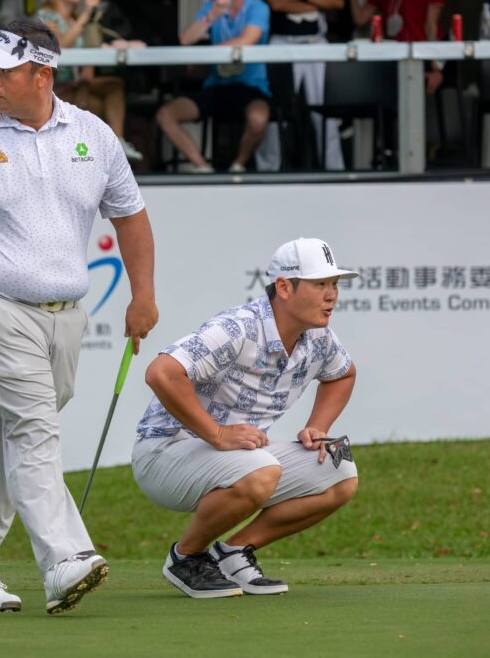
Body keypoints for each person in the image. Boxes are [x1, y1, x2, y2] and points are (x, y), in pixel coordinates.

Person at [0, 19, 158, 614]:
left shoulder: (93, 136)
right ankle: (65, 558)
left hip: (67, 316)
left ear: (42, 75)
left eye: (4, 70)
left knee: (9, 433)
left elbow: (131, 216)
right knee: (34, 428)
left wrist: (141, 294)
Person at [132, 238, 359, 598]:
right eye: (320, 285)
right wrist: (217, 434)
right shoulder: (239, 328)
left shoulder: (318, 337)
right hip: (164, 453)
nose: (331, 295)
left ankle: (233, 553)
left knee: (340, 470)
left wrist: (318, 427)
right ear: (284, 287)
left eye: (334, 284)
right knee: (260, 471)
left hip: (235, 460)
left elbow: (342, 374)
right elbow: (161, 373)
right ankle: (186, 557)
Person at [155, 0, 271, 173]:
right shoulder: (212, 6)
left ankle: (238, 165)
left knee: (259, 118)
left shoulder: (258, 7)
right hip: (216, 87)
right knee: (166, 115)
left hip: (250, 87)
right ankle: (202, 167)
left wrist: (208, 55)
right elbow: (186, 38)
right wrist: (212, 15)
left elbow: (248, 39)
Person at [37, 0, 143, 162]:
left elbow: (88, 59)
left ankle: (118, 143)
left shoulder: (76, 19)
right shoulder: (45, 17)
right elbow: (59, 47)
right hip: (56, 89)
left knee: (114, 85)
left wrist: (85, 86)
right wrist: (86, 15)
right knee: (100, 107)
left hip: (79, 84)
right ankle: (101, 153)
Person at [255, 0, 345, 171]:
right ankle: (267, 170)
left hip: (316, 43)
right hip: (281, 43)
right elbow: (276, 3)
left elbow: (337, 1)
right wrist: (315, 1)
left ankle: (334, 169)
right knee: (275, 109)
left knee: (326, 111)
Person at [344, 0, 444, 93]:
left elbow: (431, 27)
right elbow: (360, 18)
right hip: (396, 56)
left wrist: (437, 69)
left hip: (424, 55)